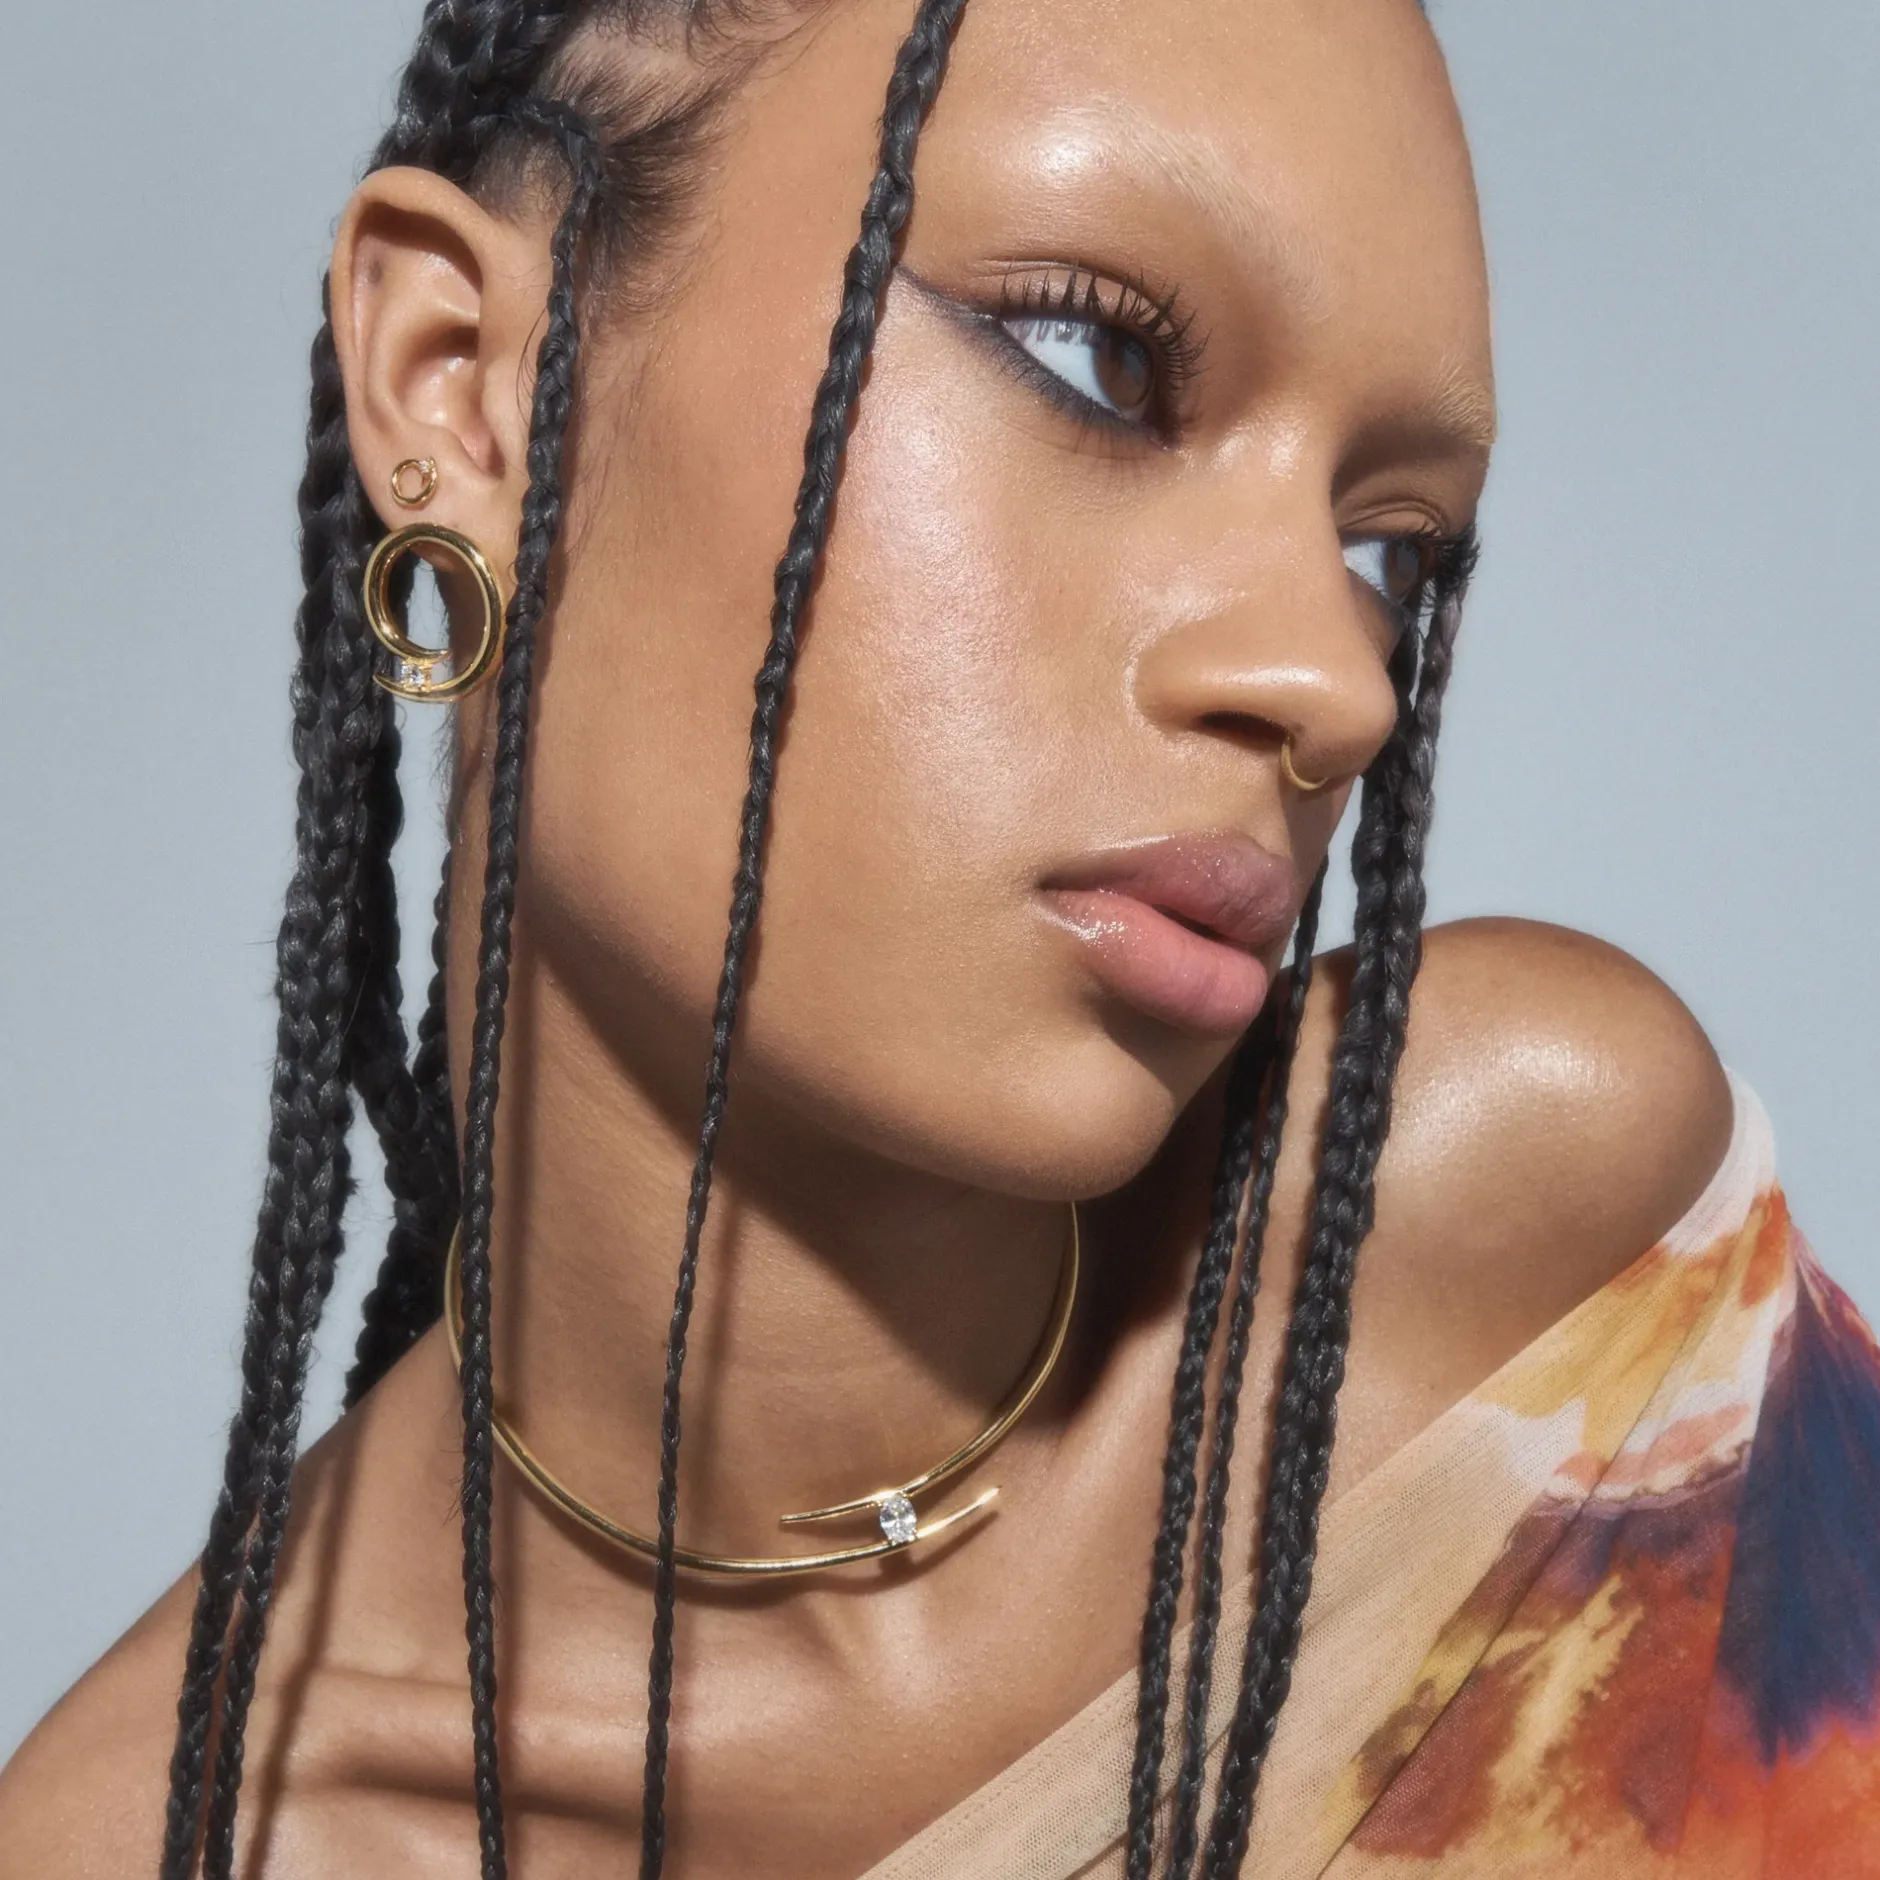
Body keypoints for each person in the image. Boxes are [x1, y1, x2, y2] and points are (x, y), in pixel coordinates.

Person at [3, 0, 1877, 1874]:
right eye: (1095, 358)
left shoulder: (1540, 1310)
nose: (1334, 682)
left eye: (1389, 550)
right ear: (464, 391)